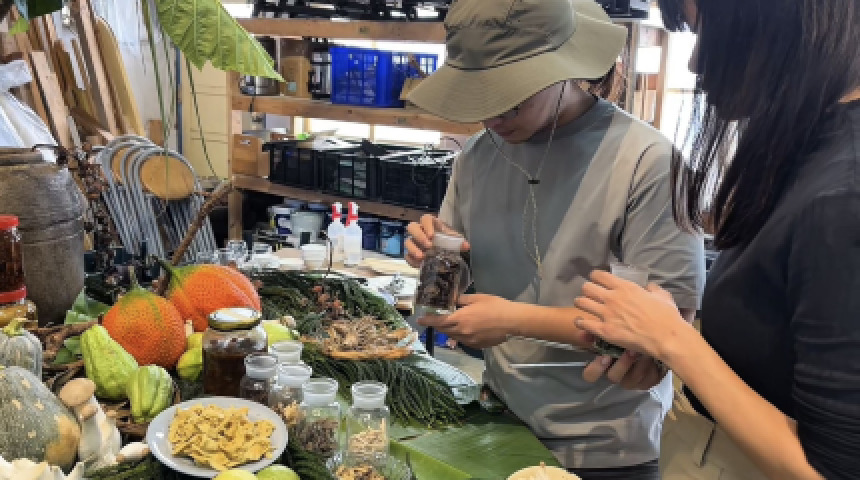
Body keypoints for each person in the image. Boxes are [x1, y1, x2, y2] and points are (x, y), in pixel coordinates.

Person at [404, 1, 705, 478]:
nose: (494, 117)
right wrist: (439, 257)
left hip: (608, 443)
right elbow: (464, 269)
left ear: (561, 69)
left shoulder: (647, 162)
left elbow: (667, 329)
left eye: (510, 99)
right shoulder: (478, 156)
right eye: (480, 100)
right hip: (501, 418)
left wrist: (514, 320)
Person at [573, 0, 860, 478]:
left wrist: (674, 340)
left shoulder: (843, 195)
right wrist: (666, 345)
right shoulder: (805, 151)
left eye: (703, 29)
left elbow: (832, 469)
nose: (694, 62)